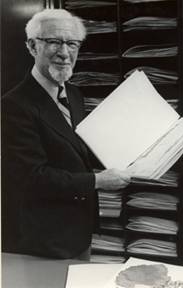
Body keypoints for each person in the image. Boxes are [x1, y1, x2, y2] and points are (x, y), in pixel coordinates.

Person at [1, 9, 131, 259]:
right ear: (32, 46)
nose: (64, 52)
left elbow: (75, 151)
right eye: (53, 42)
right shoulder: (12, 106)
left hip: (79, 230)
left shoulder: (73, 94)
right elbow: (33, 178)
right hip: (43, 240)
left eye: (72, 44)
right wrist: (99, 181)